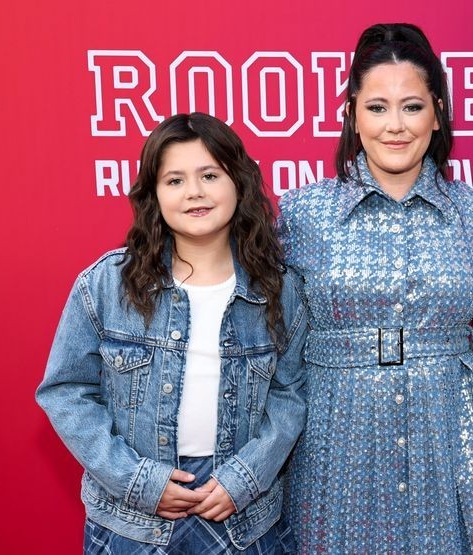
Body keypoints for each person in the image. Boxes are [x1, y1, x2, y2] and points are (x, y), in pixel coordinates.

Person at [279, 23, 473, 555]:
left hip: (450, 429)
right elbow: (272, 340)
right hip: (334, 435)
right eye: (377, 107)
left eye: (411, 106)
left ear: (437, 112)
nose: (395, 126)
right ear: (352, 115)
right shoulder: (302, 212)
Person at [36, 113, 308, 554]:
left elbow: (290, 395)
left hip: (242, 515)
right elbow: (66, 391)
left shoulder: (281, 288)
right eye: (175, 180)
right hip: (132, 520)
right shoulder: (106, 284)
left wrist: (245, 478)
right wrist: (137, 480)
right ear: (154, 195)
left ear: (238, 182)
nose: (195, 192)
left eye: (209, 175)